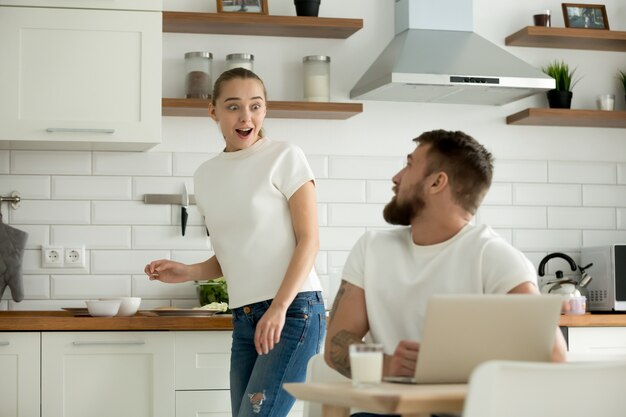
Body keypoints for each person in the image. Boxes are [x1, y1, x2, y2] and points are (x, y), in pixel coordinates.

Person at [145, 68, 325, 417]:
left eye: (255, 106)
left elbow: (309, 240)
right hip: (244, 316)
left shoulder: (285, 157)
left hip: (293, 312)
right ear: (212, 110)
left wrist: (278, 309)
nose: (246, 117)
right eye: (233, 107)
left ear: (265, 110)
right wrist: (186, 271)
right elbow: (232, 252)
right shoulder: (206, 175)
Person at [324, 129, 567, 388]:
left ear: (437, 183)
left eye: (408, 166)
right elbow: (335, 344)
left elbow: (553, 355)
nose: (396, 178)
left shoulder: (493, 256)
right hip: (382, 410)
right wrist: (390, 364)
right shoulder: (371, 248)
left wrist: (449, 367)